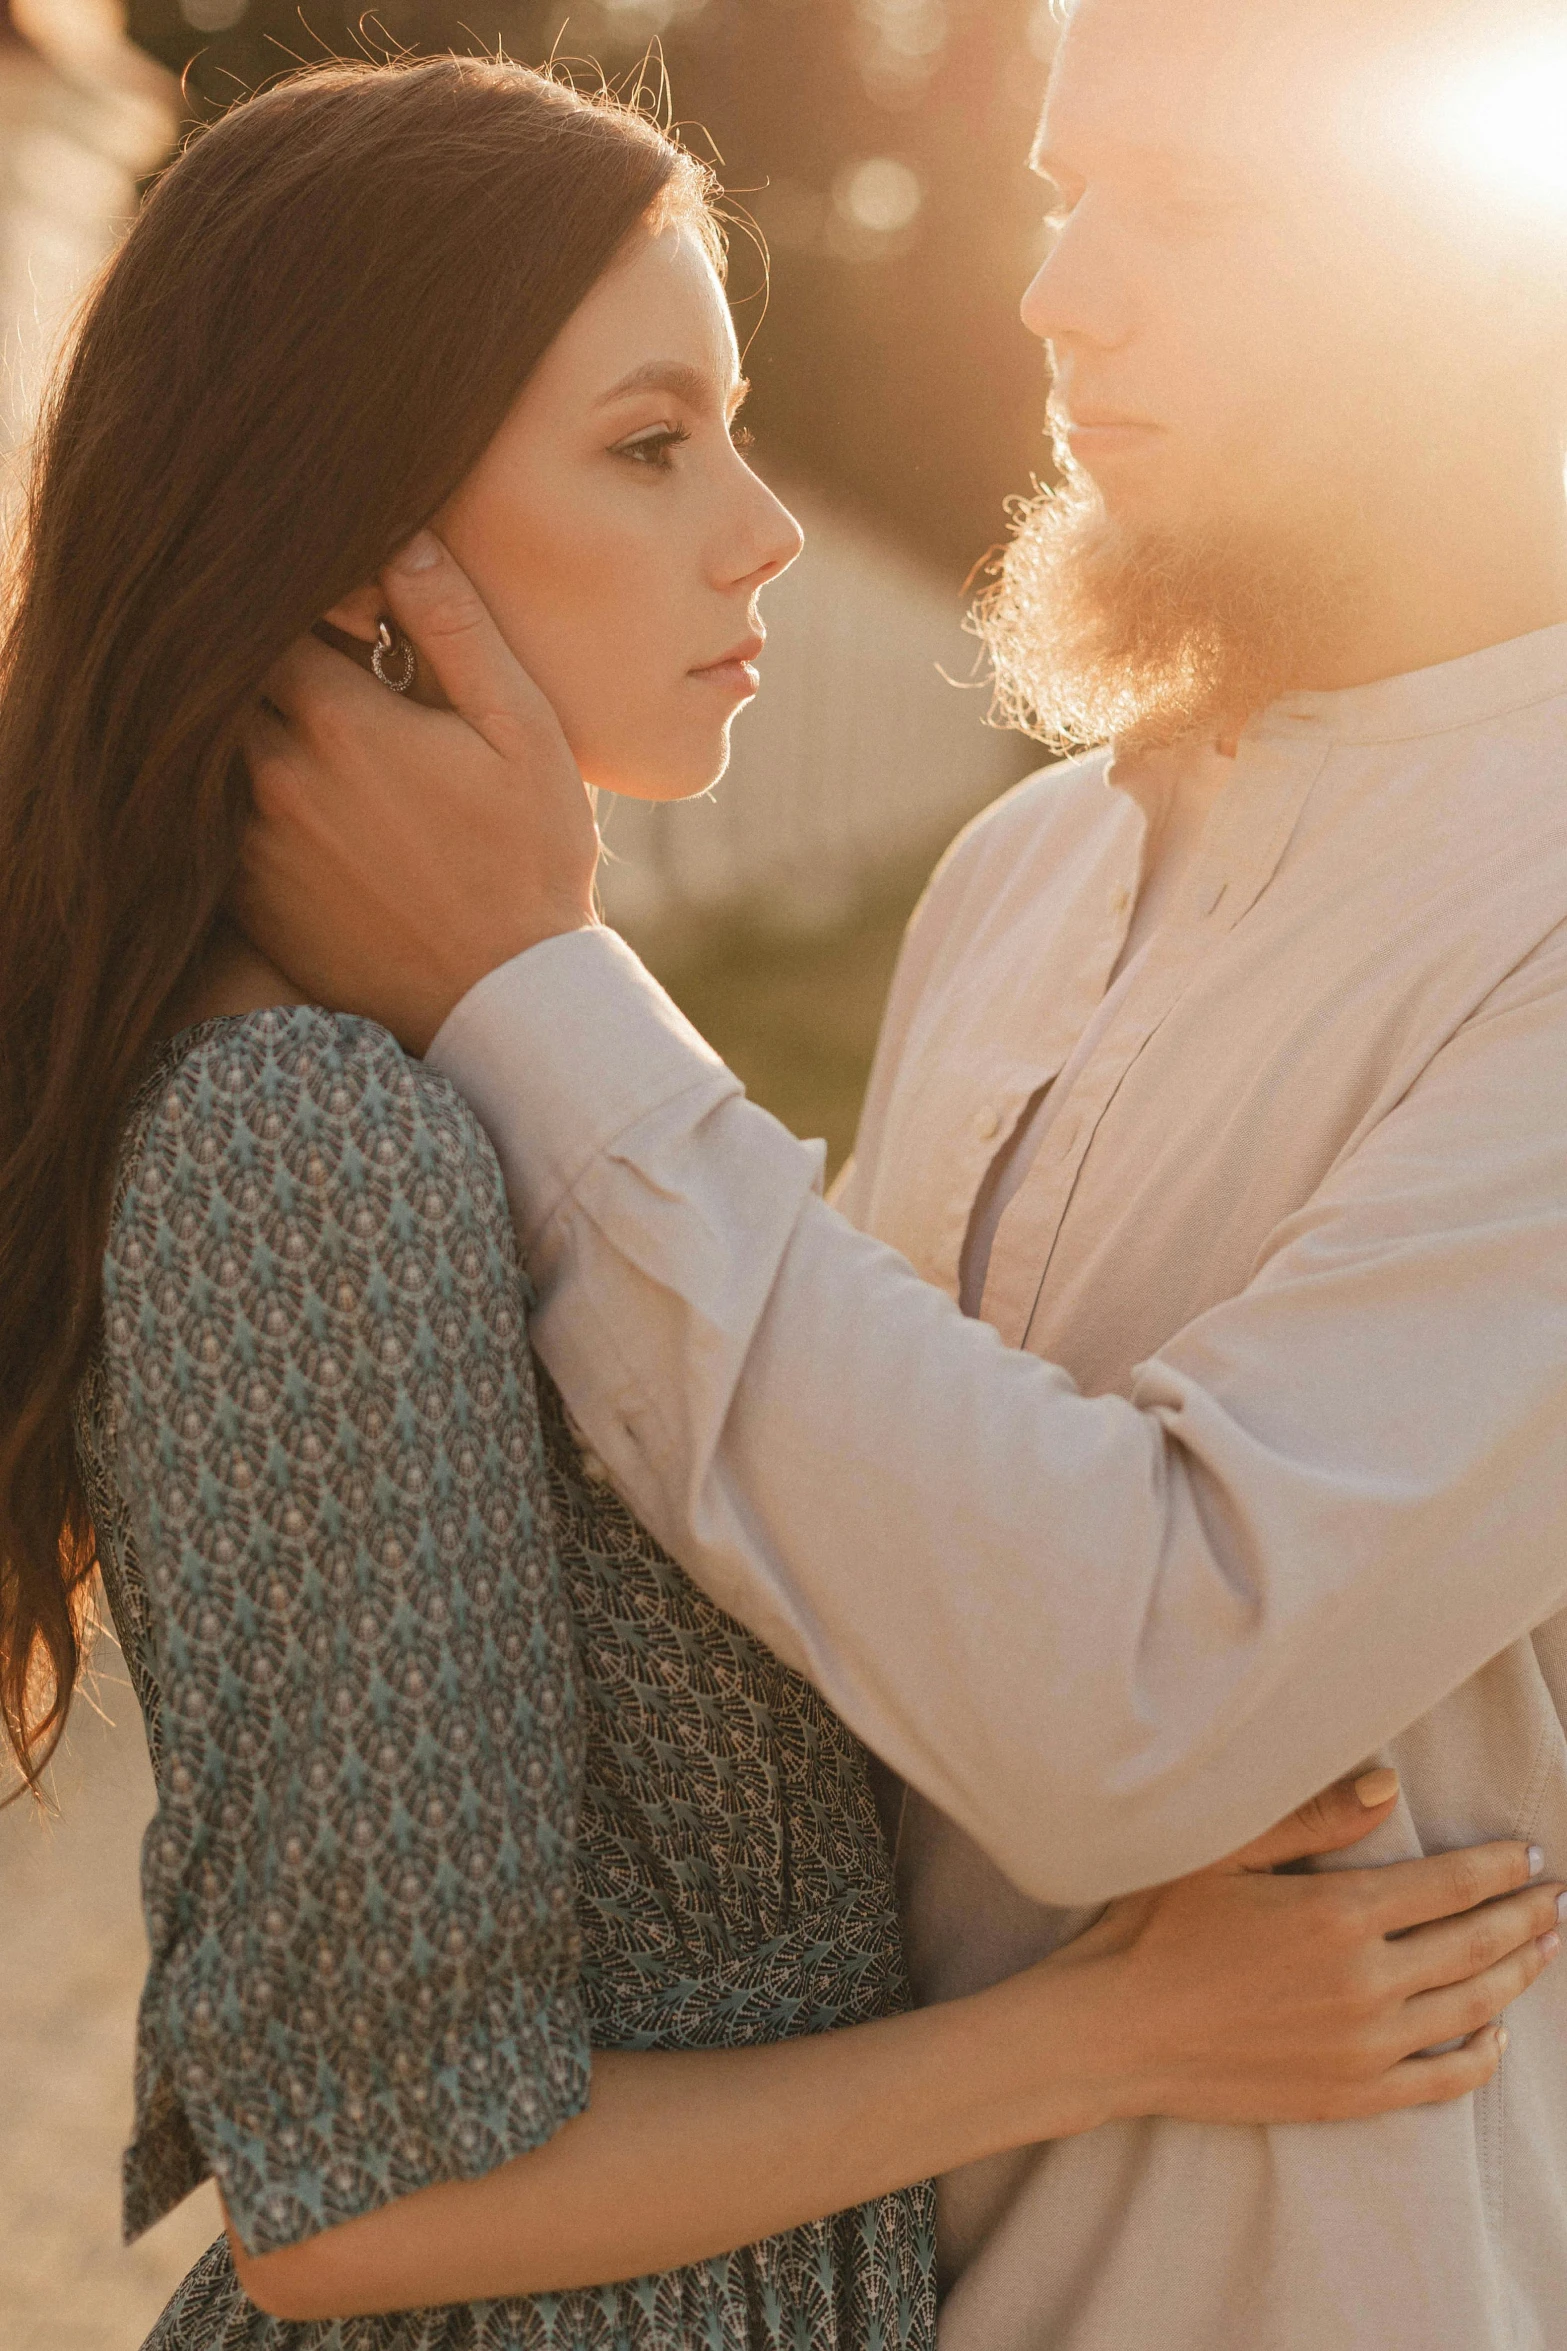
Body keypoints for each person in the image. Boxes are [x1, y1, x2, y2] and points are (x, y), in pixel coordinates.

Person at [1, 49, 1549, 2351]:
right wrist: (1089, 2031)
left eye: (1188, 205)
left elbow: (1131, 1681)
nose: (1054, 292)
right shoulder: (1012, 883)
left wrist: (542, 991)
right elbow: (366, 2149)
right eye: (1059, 189)